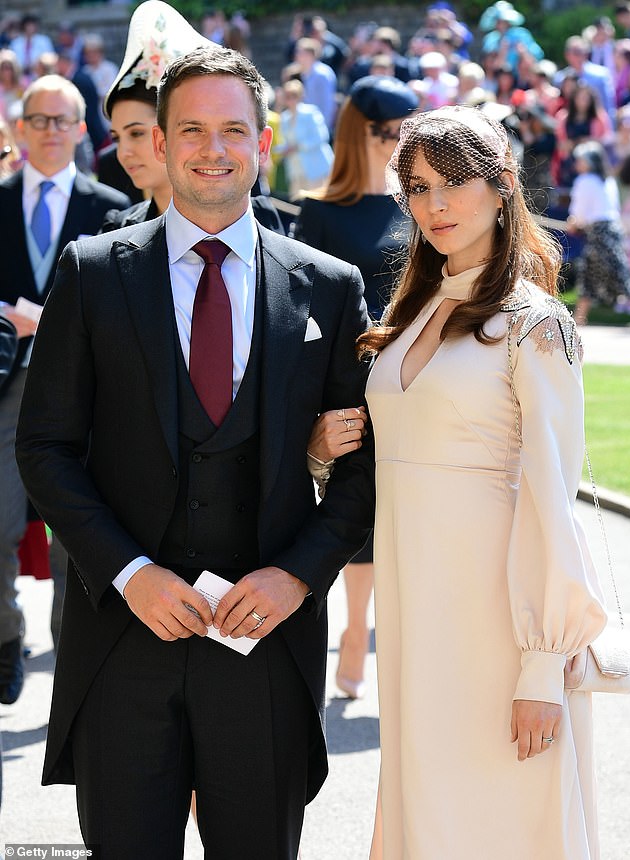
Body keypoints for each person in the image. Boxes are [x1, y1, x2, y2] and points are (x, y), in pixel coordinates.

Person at [15, 44, 374, 859]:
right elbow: (46, 448)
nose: (214, 149)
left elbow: (361, 475)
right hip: (122, 644)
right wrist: (130, 575)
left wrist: (296, 576)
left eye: (233, 131)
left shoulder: (329, 286)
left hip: (266, 646)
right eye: (193, 130)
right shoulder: (94, 272)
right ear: (162, 143)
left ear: (265, 141)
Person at [308, 105, 607, 858]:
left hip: (497, 624)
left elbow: (551, 493)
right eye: (415, 186)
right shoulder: (411, 313)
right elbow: (387, 461)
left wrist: (543, 661)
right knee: (429, 810)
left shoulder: (535, 323)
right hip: (415, 617)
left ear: (502, 184)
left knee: (500, 818)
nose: (433, 204)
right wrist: (319, 452)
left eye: (453, 183)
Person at [0, 75, 130, 680]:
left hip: (82, 393)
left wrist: (47, 321)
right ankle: (6, 638)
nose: (50, 131)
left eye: (63, 121)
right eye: (39, 120)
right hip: (4, 386)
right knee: (1, 521)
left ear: (82, 131)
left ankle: (68, 653)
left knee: (71, 532)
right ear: (19, 128)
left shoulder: (110, 210)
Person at [294, 75, 417, 699]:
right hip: (350, 384)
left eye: (405, 130)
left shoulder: (418, 206)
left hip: (418, 382)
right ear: (355, 131)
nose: (397, 142)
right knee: (357, 503)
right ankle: (352, 628)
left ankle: (374, 633)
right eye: (386, 131)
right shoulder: (319, 211)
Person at [100, 1, 285, 236]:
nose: (124, 152)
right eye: (117, 138)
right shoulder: (116, 232)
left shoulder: (263, 224)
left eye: (136, 133)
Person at [567, 140, 630, 324]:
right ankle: (579, 319)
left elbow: (579, 213)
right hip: (610, 230)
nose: (577, 164)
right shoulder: (608, 179)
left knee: (619, 276)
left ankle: (580, 318)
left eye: (580, 160)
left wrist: (574, 222)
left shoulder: (585, 180)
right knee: (590, 274)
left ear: (589, 161)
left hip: (599, 232)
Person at [276, 78, 333, 200]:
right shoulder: (284, 118)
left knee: (317, 204)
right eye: (287, 96)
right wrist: (282, 150)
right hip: (296, 170)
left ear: (300, 96)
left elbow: (321, 137)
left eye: (294, 95)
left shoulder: (311, 112)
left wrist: (297, 147)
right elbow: (285, 142)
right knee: (297, 206)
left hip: (315, 168)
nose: (291, 99)